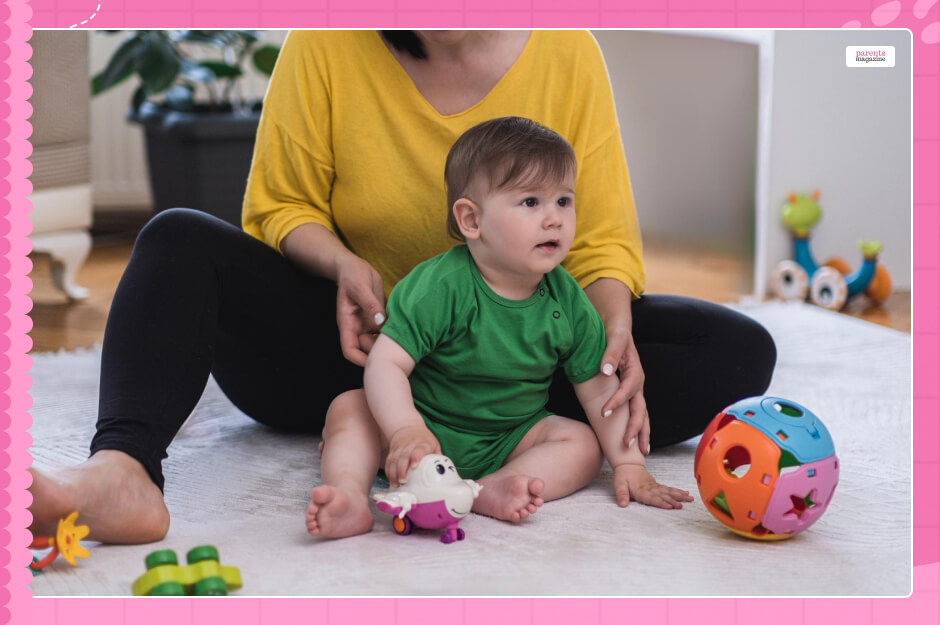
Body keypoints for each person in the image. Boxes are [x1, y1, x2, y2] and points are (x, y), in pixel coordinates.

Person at [28, 30, 776, 545]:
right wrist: (342, 267)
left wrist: (612, 336)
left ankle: (492, 449)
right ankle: (123, 470)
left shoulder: (567, 47)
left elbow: (604, 238)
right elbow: (277, 207)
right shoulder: (326, 39)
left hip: (519, 366)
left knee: (735, 347)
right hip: (353, 354)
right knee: (177, 239)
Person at [306, 117, 694, 539]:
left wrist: (630, 464)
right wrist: (404, 431)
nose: (554, 219)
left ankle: (488, 488)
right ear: (471, 220)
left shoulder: (568, 300)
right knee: (348, 408)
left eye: (564, 201)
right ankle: (347, 496)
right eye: (531, 202)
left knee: (582, 444)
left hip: (509, 438)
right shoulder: (441, 286)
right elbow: (385, 364)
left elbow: (601, 390)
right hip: (419, 432)